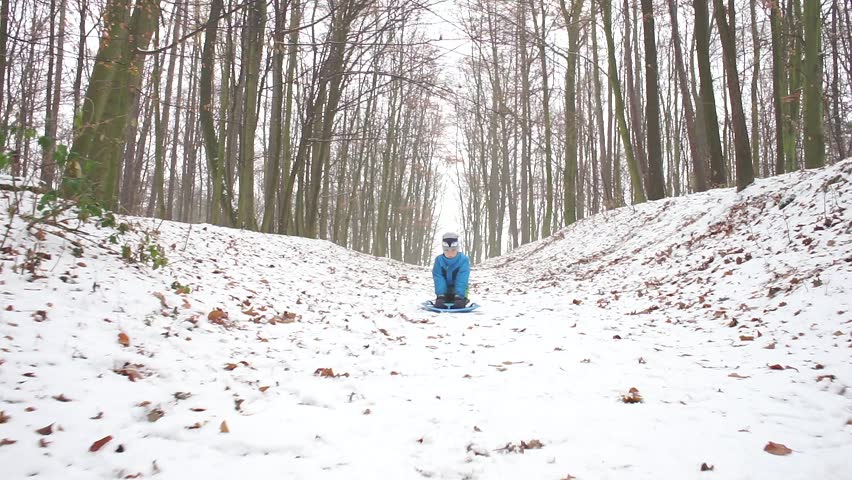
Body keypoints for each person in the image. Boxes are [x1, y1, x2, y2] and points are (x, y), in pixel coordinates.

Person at [432, 232, 471, 309]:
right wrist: (440, 296)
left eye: (453, 250)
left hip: (460, 291)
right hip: (444, 291)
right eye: (446, 250)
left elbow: (462, 278)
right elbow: (438, 278)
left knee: (459, 300)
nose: (450, 253)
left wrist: (459, 296)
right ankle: (443, 298)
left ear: (457, 249)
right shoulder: (439, 260)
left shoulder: (463, 260)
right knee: (441, 299)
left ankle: (461, 299)